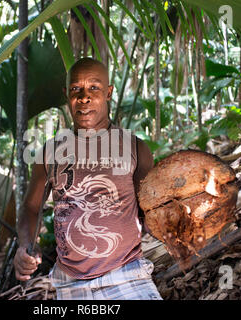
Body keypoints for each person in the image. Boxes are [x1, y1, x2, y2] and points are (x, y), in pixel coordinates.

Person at [13, 57, 162, 300]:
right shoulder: (50, 152)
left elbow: (152, 210)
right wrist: (26, 245)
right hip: (69, 282)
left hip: (127, 275)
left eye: (94, 87)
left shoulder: (135, 148)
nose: (84, 97)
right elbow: (30, 208)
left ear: (109, 92)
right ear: (66, 95)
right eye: (76, 89)